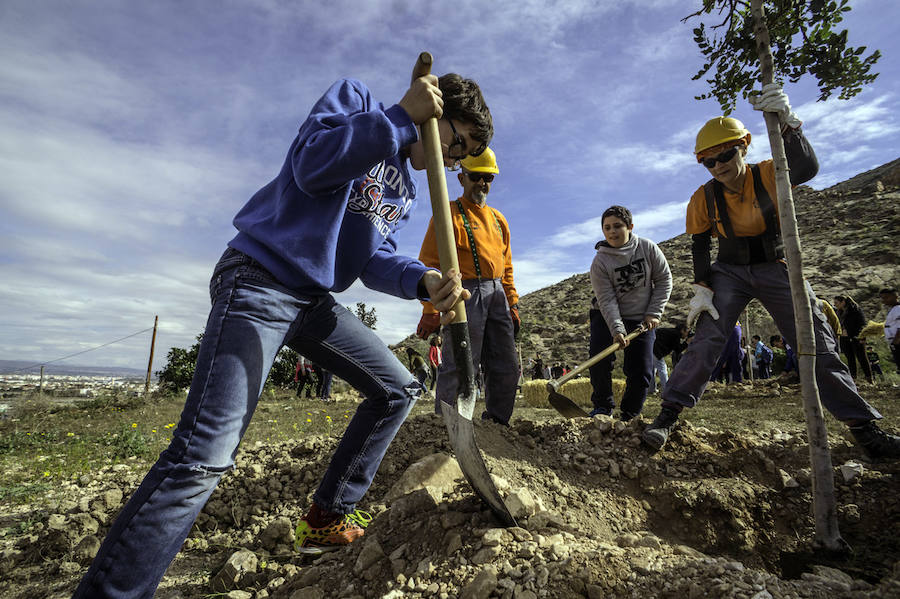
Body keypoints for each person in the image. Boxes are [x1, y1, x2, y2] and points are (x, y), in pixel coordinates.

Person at [73, 69, 493, 596]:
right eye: (459, 146)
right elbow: (312, 166)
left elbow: (372, 258)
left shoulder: (405, 189)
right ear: (438, 114)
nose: (456, 163)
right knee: (204, 455)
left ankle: (326, 517)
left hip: (312, 301)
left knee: (397, 389)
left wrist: (421, 279)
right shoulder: (359, 103)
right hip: (259, 280)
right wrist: (398, 119)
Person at [640, 84, 899, 459]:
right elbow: (699, 244)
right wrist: (703, 288)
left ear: (744, 144)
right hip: (728, 270)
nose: (719, 166)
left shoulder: (769, 173)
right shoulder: (703, 197)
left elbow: (807, 168)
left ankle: (865, 429)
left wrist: (790, 126)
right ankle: (667, 415)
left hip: (776, 265)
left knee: (813, 338)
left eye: (725, 154)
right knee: (709, 337)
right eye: (708, 162)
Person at [415, 147, 520, 425]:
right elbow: (429, 264)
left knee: (506, 364)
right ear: (462, 178)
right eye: (476, 177)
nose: (482, 183)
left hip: (497, 293)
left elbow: (506, 267)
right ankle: (448, 425)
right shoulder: (447, 213)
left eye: (488, 178)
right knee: (460, 364)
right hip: (464, 294)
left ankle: (497, 423)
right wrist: (429, 310)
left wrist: (512, 303)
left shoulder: (499, 220)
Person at [588, 205, 673, 419]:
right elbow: (606, 299)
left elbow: (664, 280)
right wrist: (617, 329)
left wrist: (654, 313)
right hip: (605, 316)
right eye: (606, 228)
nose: (612, 232)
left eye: (617, 226)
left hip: (642, 318)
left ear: (630, 227)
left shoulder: (648, 248)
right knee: (599, 361)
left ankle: (630, 413)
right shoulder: (600, 261)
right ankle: (603, 407)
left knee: (641, 368)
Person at [834, 295, 874, 384]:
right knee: (850, 358)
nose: (835, 304)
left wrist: (862, 337)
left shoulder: (855, 310)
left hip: (856, 337)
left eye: (836, 302)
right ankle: (853, 379)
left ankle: (869, 378)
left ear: (843, 302)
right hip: (844, 338)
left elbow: (862, 324)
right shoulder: (838, 312)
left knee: (862, 358)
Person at [650, 323, 689, 394]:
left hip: (651, 348)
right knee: (663, 369)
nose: (687, 334)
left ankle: (651, 389)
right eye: (687, 332)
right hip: (656, 351)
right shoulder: (676, 335)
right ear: (682, 330)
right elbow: (678, 350)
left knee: (653, 370)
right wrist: (687, 342)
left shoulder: (671, 332)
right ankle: (666, 390)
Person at [879, 288, 900, 374]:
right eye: (883, 298)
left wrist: (896, 341)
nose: (884, 301)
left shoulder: (898, 309)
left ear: (895, 297)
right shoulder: (893, 309)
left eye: (886, 298)